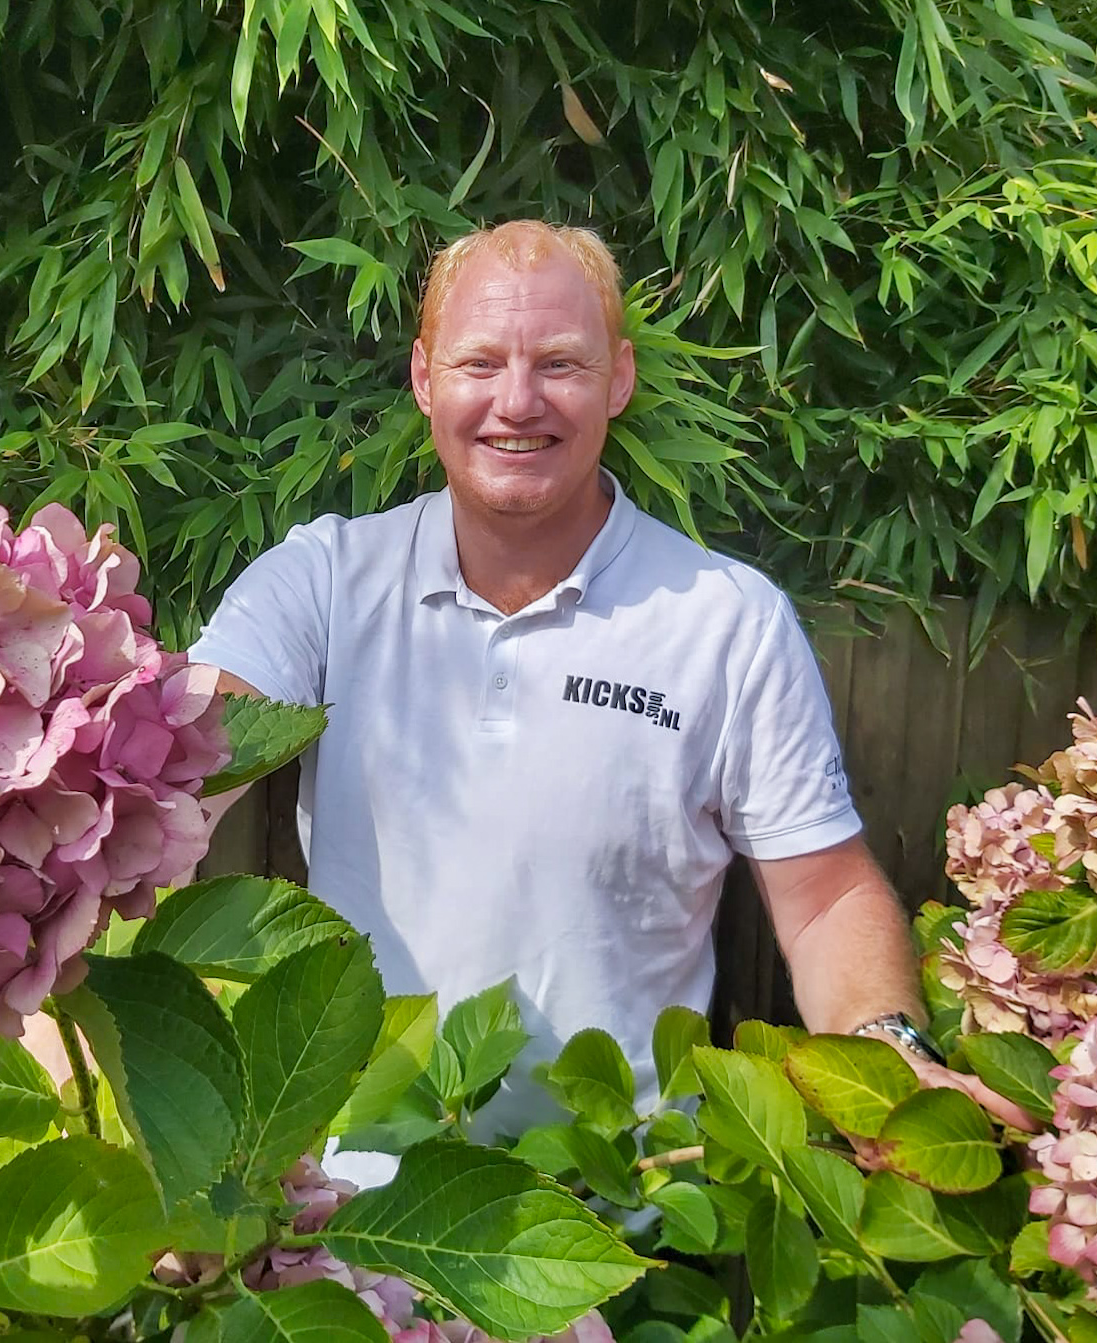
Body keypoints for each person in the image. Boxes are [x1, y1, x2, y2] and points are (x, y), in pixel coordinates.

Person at [189, 220, 1028, 1151]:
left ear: (618, 378)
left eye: (559, 363)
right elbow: (171, 774)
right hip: (340, 1220)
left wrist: (887, 1053)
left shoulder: (726, 622)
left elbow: (825, 894)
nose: (515, 401)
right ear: (424, 378)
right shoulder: (322, 583)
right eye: (479, 362)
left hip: (625, 1218)